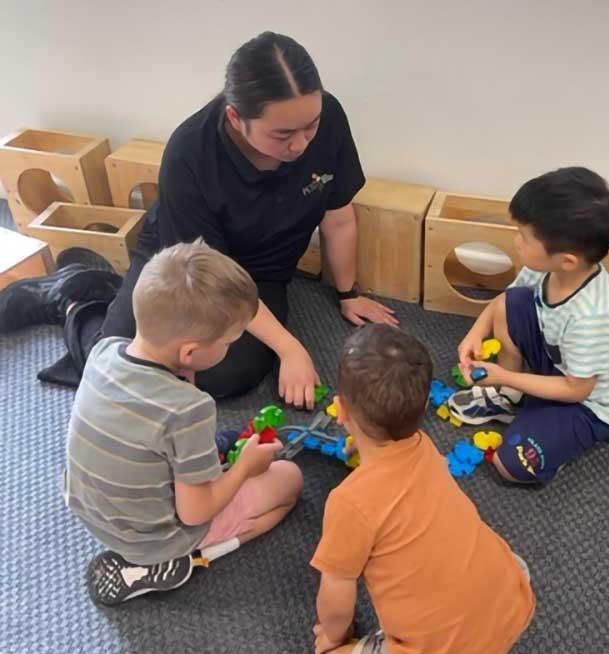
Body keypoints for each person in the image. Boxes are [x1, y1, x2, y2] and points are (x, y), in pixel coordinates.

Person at [0, 31, 396, 405]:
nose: (302, 143)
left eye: (311, 125)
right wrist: (291, 348)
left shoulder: (328, 121)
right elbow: (208, 274)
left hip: (261, 273)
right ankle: (72, 299)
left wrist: (348, 294)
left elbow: (338, 215)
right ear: (236, 118)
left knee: (230, 372)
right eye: (283, 134)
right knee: (123, 363)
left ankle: (105, 291)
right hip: (189, 263)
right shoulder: (190, 151)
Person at [302, 325, 541, 654]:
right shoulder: (425, 447)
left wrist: (334, 641)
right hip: (512, 602)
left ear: (343, 410)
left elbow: (336, 598)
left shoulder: (350, 503)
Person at [66, 241, 303, 606]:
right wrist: (242, 469)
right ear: (189, 352)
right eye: (229, 342)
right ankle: (176, 562)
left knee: (198, 457)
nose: (231, 349)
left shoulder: (106, 350)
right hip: (156, 538)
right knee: (289, 482)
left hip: (91, 511)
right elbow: (195, 511)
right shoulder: (189, 410)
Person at [448, 166, 609, 485]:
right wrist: (476, 332)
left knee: (512, 465)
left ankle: (557, 432)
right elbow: (503, 303)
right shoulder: (547, 270)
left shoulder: (594, 316)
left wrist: (506, 375)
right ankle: (511, 397)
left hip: (588, 402)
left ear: (566, 260)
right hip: (560, 366)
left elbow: (578, 389)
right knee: (512, 304)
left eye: (524, 238)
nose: (516, 242)